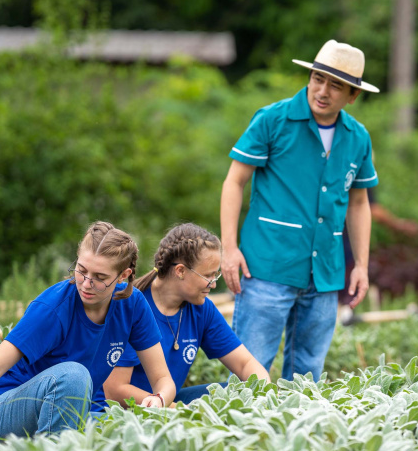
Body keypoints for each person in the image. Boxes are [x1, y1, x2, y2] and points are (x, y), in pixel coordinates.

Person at [0, 221, 175, 441]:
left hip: (68, 409)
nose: (86, 283)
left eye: (99, 277)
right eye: (81, 270)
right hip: (0, 411)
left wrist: (160, 400)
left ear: (124, 275)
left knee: (123, 432)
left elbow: (163, 380)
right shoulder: (53, 308)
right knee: (75, 376)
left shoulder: (133, 305)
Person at [220, 39, 380, 380]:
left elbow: (359, 201)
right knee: (249, 372)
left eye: (335, 85)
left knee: (308, 377)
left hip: (324, 274)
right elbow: (234, 182)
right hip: (265, 268)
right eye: (317, 78)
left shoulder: (357, 137)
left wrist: (362, 266)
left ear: (353, 95)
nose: (322, 90)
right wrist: (229, 249)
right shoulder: (272, 120)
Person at [104, 223, 269, 406]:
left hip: (168, 404)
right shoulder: (130, 304)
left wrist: (266, 394)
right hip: (124, 411)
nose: (213, 284)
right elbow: (115, 390)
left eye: (216, 276)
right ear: (180, 271)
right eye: (208, 276)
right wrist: (181, 412)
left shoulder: (202, 309)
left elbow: (245, 364)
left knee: (234, 393)